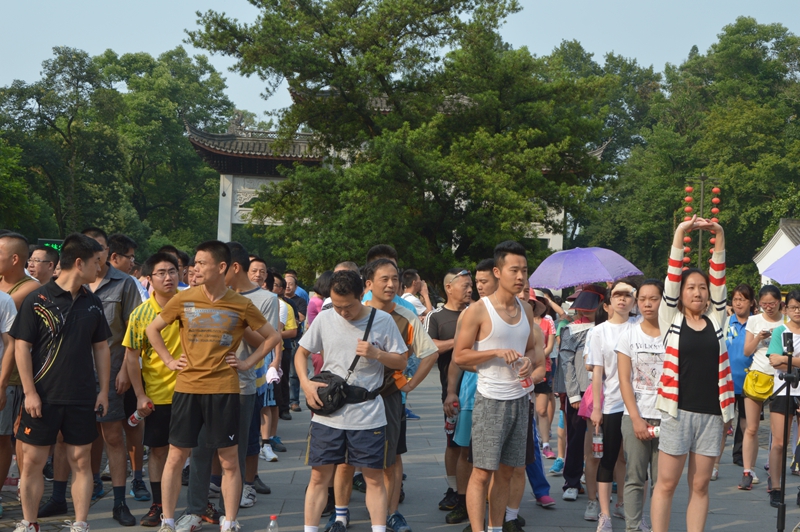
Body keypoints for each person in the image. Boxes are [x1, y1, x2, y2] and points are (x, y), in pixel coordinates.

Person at [145, 240, 281, 532]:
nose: (194, 268)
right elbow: (152, 329)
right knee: (176, 456)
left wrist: (247, 363)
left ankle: (229, 521)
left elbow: (272, 337)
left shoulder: (240, 303)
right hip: (187, 388)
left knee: (229, 459)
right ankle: (168, 521)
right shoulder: (184, 298)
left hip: (224, 390)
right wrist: (169, 360)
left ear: (221, 267)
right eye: (194, 263)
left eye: (201, 263)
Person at [327, 259, 439, 532]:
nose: (391, 285)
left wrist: (409, 385)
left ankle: (391, 513)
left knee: (391, 458)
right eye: (384, 279)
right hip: (348, 397)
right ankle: (340, 515)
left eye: (395, 279)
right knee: (345, 460)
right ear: (368, 284)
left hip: (387, 396)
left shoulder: (405, 316)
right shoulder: (350, 308)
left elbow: (430, 353)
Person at [11, 233, 111, 532]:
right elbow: (21, 347)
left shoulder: (93, 302)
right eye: (96, 262)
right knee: (33, 461)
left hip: (81, 395)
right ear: (79, 262)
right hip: (42, 395)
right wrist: (29, 392)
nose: (99, 268)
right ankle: (29, 522)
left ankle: (80, 523)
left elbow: (101, 348)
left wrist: (103, 391)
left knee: (81, 459)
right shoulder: (38, 298)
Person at [295, 269, 408, 532]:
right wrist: (305, 383)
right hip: (329, 413)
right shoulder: (325, 318)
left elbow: (401, 361)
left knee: (373, 478)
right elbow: (301, 353)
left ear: (361, 295)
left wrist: (377, 354)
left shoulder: (382, 320)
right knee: (319, 476)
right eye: (337, 306)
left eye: (348, 306)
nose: (343, 312)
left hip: (368, 414)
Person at [453, 240, 545, 532]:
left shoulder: (526, 310)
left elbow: (531, 350)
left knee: (507, 472)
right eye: (514, 270)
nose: (520, 277)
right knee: (482, 473)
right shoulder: (479, 310)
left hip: (521, 399)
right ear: (497, 271)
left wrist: (528, 362)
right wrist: (494, 352)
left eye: (524, 271)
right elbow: (459, 356)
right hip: (490, 400)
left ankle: (496, 527)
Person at [650, 215, 733, 532]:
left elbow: (719, 276)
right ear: (680, 293)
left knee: (700, 486)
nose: (698, 293)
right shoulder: (670, 318)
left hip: (712, 414)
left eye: (702, 288)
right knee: (667, 483)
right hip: (677, 412)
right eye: (691, 288)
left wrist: (719, 234)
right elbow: (672, 275)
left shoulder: (716, 319)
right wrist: (680, 232)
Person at [81, 227, 144, 524]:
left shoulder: (125, 283)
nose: (96, 252)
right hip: (76, 374)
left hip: (112, 371)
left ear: (109, 251)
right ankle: (85, 487)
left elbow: (135, 332)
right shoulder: (74, 282)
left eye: (101, 247)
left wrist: (126, 372)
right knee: (81, 436)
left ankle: (119, 502)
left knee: (113, 436)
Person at [122, 252, 183, 526]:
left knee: (188, 451)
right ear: (149, 278)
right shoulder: (141, 314)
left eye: (172, 271)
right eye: (161, 273)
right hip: (158, 394)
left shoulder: (191, 304)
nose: (168, 277)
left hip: (192, 391)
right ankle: (158, 505)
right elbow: (131, 357)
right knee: (158, 451)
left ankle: (196, 504)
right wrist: (140, 395)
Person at [616, 279, 666, 532]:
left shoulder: (674, 335)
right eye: (643, 299)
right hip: (635, 415)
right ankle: (633, 528)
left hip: (668, 416)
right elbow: (624, 380)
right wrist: (635, 418)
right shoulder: (629, 335)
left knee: (662, 482)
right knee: (634, 478)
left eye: (653, 299)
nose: (647, 304)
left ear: (664, 300)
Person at [588, 281, 637, 528]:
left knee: (634, 461)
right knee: (608, 457)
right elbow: (597, 372)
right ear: (609, 301)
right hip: (613, 403)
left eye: (628, 295)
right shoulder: (599, 332)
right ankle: (604, 514)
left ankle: (630, 509)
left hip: (639, 405)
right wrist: (597, 408)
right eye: (617, 294)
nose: (622, 299)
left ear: (634, 300)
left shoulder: (641, 326)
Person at [427, 267, 473, 511]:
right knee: (454, 443)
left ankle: (474, 490)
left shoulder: (478, 311)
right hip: (452, 390)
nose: (470, 290)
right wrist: (461, 341)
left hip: (480, 388)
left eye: (471, 285)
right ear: (449, 288)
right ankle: (454, 489)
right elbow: (429, 347)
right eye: (465, 285)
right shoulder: (436, 316)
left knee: (476, 444)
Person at [560, 285, 607, 503]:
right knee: (576, 438)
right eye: (582, 308)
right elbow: (566, 362)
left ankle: (604, 482)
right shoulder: (571, 330)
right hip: (580, 392)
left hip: (606, 392)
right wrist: (573, 395)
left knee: (605, 439)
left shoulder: (609, 328)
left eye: (590, 308)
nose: (585, 312)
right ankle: (572, 481)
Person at [739, 284, 782, 490]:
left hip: (780, 379)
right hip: (757, 376)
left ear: (779, 303)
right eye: (764, 304)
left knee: (777, 433)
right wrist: (759, 337)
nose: (768, 307)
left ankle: (774, 474)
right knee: (751, 427)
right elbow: (746, 351)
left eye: (772, 303)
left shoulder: (787, 322)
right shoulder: (754, 320)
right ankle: (748, 471)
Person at [766, 290, 800, 507]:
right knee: (779, 442)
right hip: (783, 390)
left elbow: (781, 360)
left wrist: (786, 359)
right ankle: (776, 486)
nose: (797, 311)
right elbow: (773, 360)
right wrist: (793, 360)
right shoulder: (781, 330)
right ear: (786, 308)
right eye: (794, 307)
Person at [722, 284, 756, 477]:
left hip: (749, 381)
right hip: (726, 380)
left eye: (742, 299)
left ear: (751, 302)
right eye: (735, 299)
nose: (738, 303)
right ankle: (715, 464)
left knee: (746, 424)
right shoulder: (726, 322)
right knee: (724, 423)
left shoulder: (756, 324)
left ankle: (743, 460)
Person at [0, 290, 17, 518]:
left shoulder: (4, 300)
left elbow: (10, 344)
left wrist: (2, 385)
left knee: (2, 438)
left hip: (1, 379)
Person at [108, 234, 149, 303]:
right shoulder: (92, 280)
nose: (132, 264)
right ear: (115, 257)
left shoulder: (132, 282)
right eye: (130, 258)